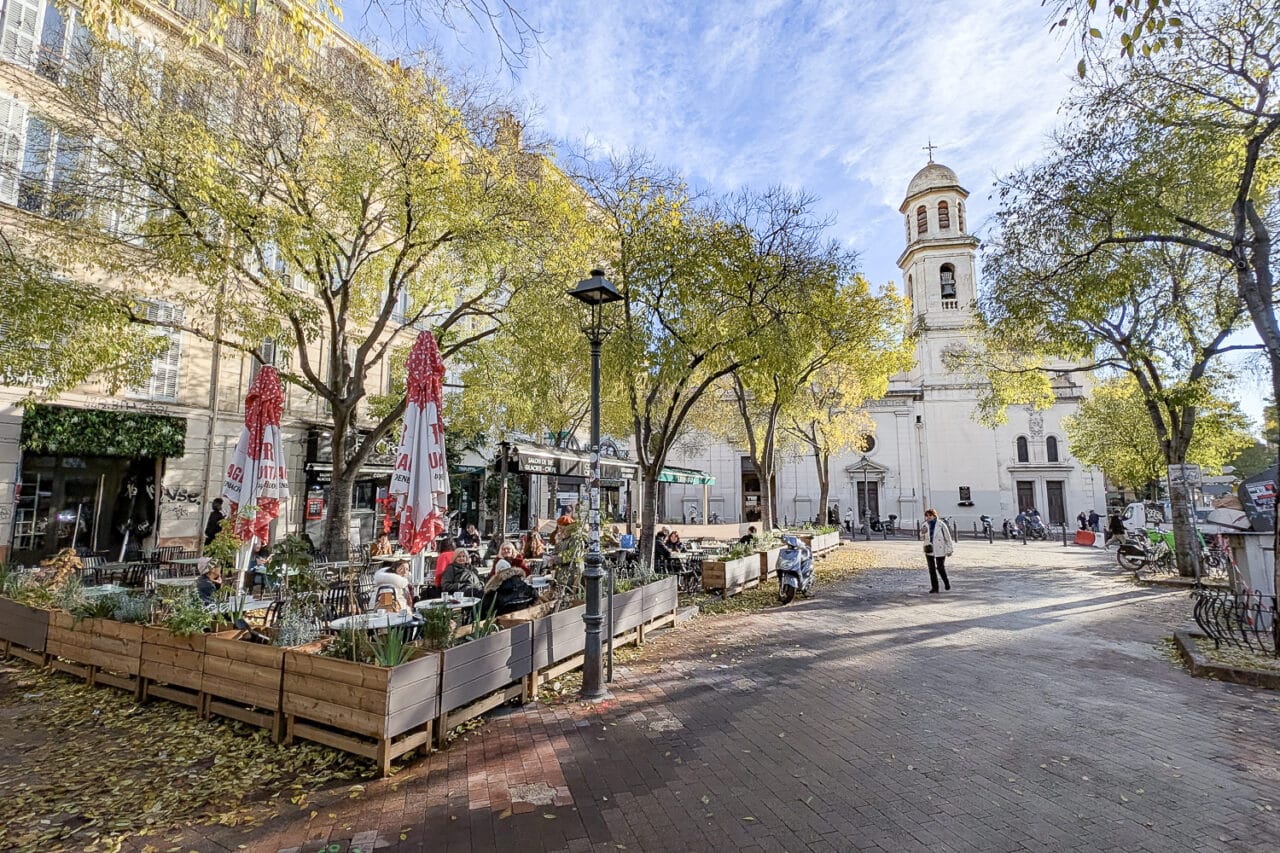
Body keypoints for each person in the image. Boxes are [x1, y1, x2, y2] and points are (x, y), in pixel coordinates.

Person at [919, 508, 954, 593]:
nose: (928, 517)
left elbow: (948, 538)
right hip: (929, 548)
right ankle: (935, 588)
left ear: (934, 515)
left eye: (930, 515)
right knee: (931, 569)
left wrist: (949, 549)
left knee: (940, 567)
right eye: (926, 516)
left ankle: (946, 582)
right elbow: (921, 538)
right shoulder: (924, 525)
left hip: (940, 548)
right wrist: (922, 532)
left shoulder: (941, 525)